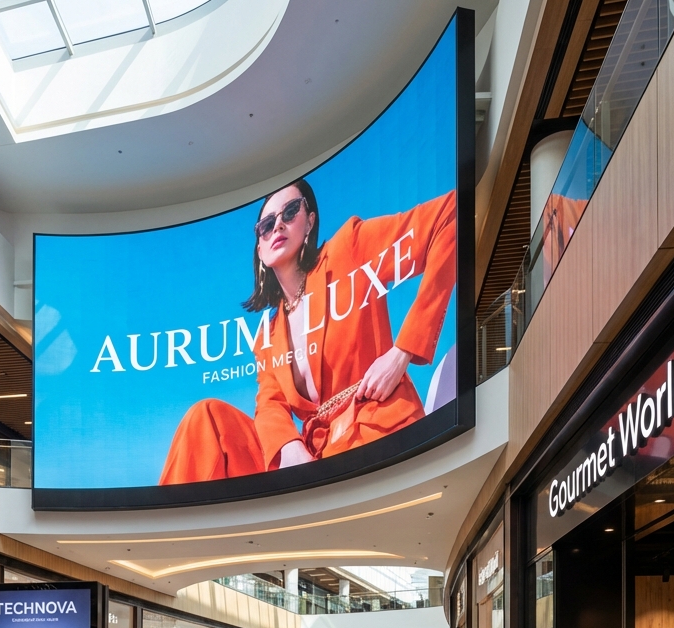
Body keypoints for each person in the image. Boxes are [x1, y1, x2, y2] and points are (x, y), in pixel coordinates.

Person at [159, 179, 456, 483]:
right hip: (312, 459)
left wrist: (402, 351)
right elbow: (270, 405)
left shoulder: (349, 249)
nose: (278, 226)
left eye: (290, 212)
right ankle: (172, 528)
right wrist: (289, 446)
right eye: (266, 225)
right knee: (205, 418)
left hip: (374, 432)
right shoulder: (267, 336)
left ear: (310, 221)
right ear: (259, 248)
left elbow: (450, 213)